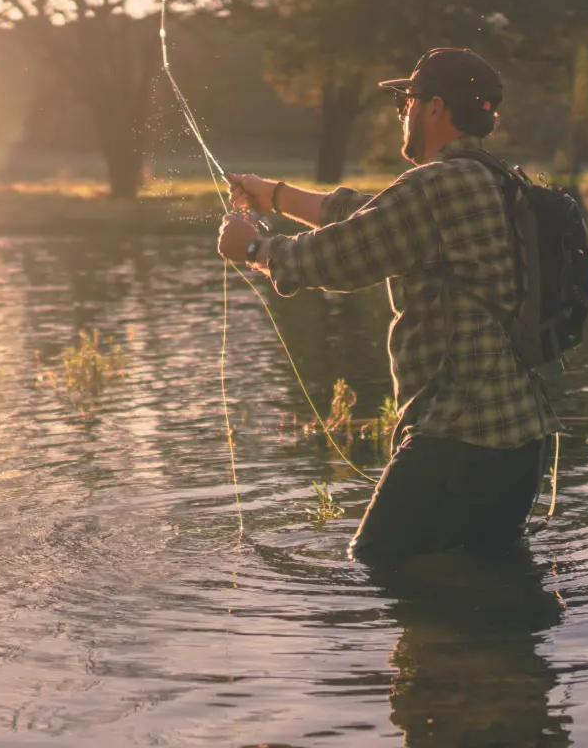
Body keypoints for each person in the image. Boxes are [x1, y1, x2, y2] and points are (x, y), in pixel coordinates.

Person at [217, 47, 549, 564]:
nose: (403, 116)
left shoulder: (436, 185)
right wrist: (273, 196)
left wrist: (255, 250)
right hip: (519, 443)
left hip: (457, 442)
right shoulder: (493, 179)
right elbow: (365, 216)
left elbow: (338, 258)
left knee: (378, 566)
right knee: (485, 582)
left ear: (434, 108)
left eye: (407, 103)